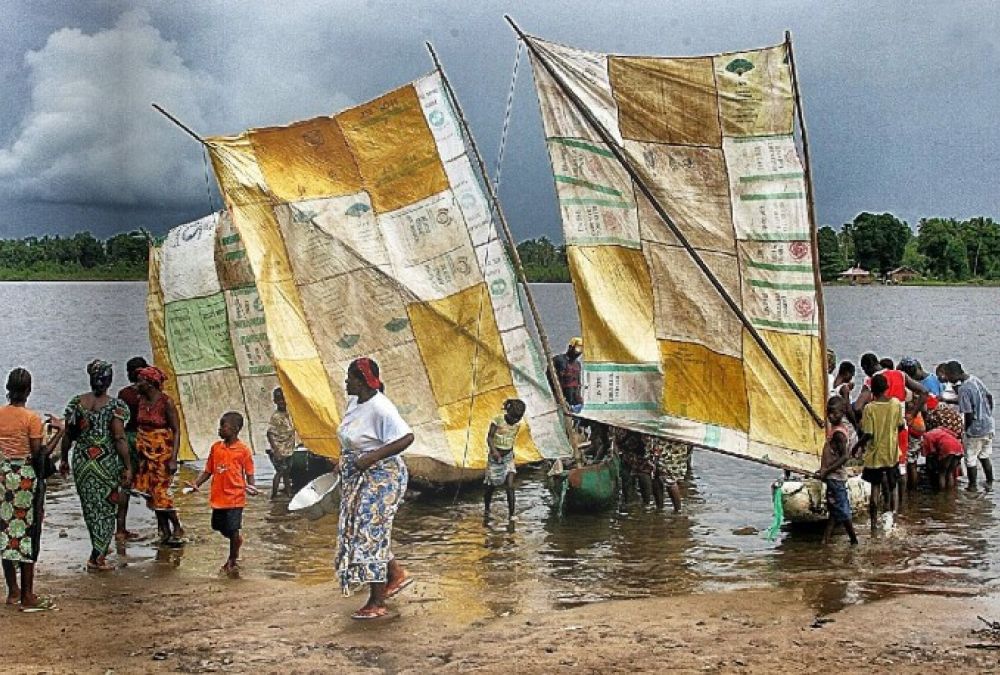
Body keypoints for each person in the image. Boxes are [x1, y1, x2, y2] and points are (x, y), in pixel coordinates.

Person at [335, 357, 415, 620]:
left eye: (351, 377)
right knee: (360, 529)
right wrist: (342, 461)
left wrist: (373, 457)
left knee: (371, 533)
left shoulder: (381, 407)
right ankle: (395, 574)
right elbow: (352, 438)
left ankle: (377, 601)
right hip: (360, 474)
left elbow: (406, 437)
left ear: (363, 381)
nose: (346, 381)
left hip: (382, 476)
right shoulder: (354, 402)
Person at [0, 368, 64, 610]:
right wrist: (60, 431)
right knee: (29, 532)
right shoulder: (31, 419)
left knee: (6, 532)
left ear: (8, 388)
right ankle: (28, 595)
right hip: (25, 482)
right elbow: (40, 455)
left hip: (3, 479)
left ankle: (12, 591)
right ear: (28, 390)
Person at [61, 360, 133, 571]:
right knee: (108, 506)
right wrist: (128, 465)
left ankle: (97, 553)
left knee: (91, 508)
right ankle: (97, 557)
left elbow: (69, 434)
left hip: (83, 462)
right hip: (106, 463)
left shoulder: (77, 403)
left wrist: (64, 459)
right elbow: (119, 438)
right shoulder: (115, 407)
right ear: (109, 380)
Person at [186, 412, 257, 574]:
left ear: (235, 429)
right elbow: (208, 470)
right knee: (217, 526)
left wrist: (252, 486)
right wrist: (196, 484)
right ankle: (236, 540)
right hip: (218, 497)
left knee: (233, 528)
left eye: (223, 426)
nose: (219, 430)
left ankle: (232, 560)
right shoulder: (216, 448)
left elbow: (249, 472)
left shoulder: (243, 450)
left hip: (235, 497)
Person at [132, 366, 184, 543]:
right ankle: (164, 531)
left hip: (162, 454)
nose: (137, 384)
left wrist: (173, 459)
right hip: (144, 455)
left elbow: (176, 431)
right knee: (151, 494)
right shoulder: (141, 401)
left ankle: (176, 526)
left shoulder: (166, 402)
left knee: (161, 493)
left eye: (140, 381)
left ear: (150, 384)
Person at [856, 373, 905, 533]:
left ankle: (873, 524)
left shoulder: (869, 408)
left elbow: (868, 433)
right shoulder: (896, 404)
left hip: (875, 455)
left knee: (875, 488)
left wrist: (857, 446)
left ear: (872, 391)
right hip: (891, 453)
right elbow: (900, 426)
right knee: (892, 487)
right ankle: (893, 520)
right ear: (887, 388)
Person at [941, 361, 995, 490]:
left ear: (954, 374)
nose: (947, 379)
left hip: (975, 429)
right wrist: (987, 414)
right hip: (988, 425)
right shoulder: (975, 380)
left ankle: (972, 486)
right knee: (984, 455)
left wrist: (966, 430)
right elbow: (989, 397)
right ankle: (989, 481)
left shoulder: (964, 388)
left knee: (970, 459)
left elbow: (968, 413)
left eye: (948, 376)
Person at [114, 356, 147, 543]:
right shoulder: (150, 391)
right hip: (146, 438)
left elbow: (120, 421)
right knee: (154, 483)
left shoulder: (123, 394)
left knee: (125, 484)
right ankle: (164, 527)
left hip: (128, 438)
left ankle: (120, 529)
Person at [817, 396, 858, 545]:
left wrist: (826, 471)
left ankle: (854, 540)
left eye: (835, 413)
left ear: (842, 413)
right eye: (829, 413)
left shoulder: (839, 434)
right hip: (832, 477)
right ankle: (825, 540)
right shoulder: (835, 430)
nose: (831, 416)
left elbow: (844, 457)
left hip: (836, 478)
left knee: (843, 511)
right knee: (834, 510)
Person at [483, 398, 526, 525]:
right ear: (508, 413)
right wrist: (495, 452)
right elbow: (490, 438)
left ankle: (512, 515)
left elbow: (510, 439)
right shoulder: (497, 420)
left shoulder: (518, 425)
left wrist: (510, 454)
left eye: (518, 419)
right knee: (490, 486)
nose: (515, 421)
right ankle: (486, 509)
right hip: (494, 458)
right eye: (514, 418)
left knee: (510, 486)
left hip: (508, 458)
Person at [266, 387, 296, 499]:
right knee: (280, 472)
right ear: (275, 401)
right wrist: (276, 450)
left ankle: (288, 493)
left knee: (286, 473)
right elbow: (269, 433)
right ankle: (273, 496)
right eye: (279, 400)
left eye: (283, 399)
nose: (282, 402)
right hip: (280, 449)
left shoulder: (289, 414)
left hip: (288, 449)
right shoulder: (276, 417)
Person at [644, 435, 686, 512]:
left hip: (669, 443)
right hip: (660, 440)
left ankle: (678, 510)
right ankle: (660, 507)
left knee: (669, 478)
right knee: (655, 474)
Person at [921, 424, 964, 491]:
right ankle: (950, 493)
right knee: (950, 472)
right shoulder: (941, 428)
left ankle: (942, 494)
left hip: (947, 447)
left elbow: (931, 452)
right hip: (958, 446)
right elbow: (955, 435)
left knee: (942, 473)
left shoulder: (926, 436)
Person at [552, 338, 584, 413]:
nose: (578, 352)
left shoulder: (577, 364)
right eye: (577, 348)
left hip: (573, 402)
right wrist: (557, 398)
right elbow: (550, 379)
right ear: (570, 347)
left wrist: (579, 399)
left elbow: (578, 383)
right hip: (559, 401)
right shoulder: (558, 360)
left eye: (581, 349)